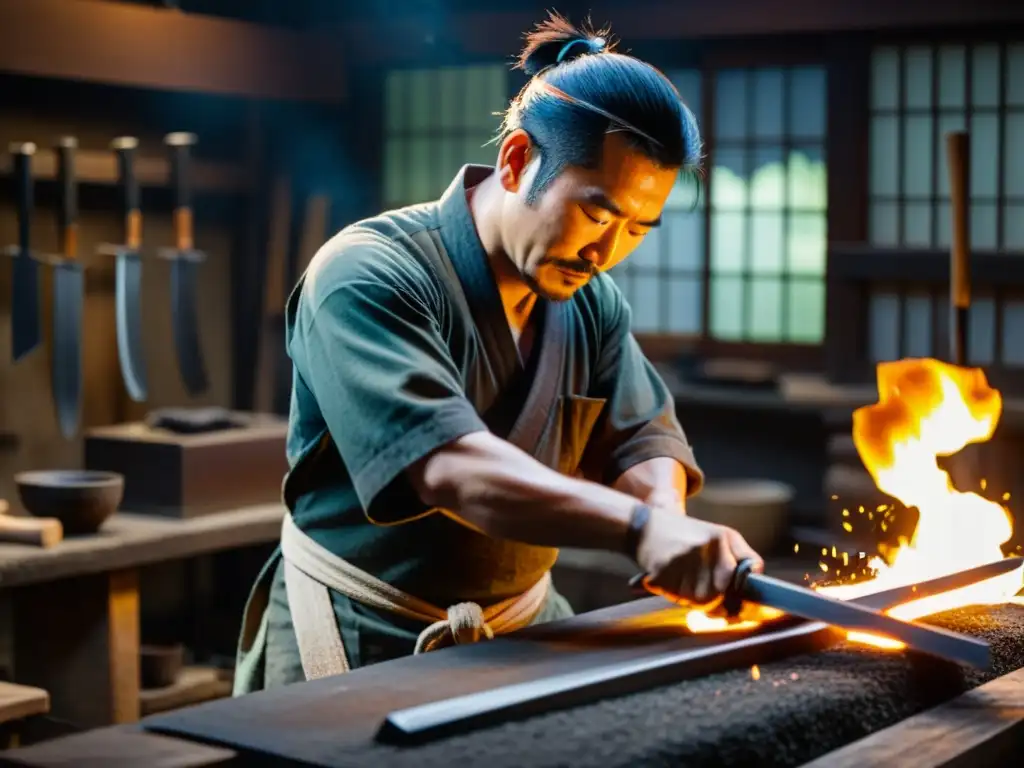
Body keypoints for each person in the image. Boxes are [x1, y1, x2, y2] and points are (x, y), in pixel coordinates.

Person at [233, 12, 763, 694]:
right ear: (516, 162)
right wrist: (639, 530)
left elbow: (642, 440)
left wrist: (669, 524)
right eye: (599, 215)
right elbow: (449, 466)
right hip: (357, 632)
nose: (608, 252)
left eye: (638, 228)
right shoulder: (366, 273)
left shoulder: (590, 302)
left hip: (524, 631)